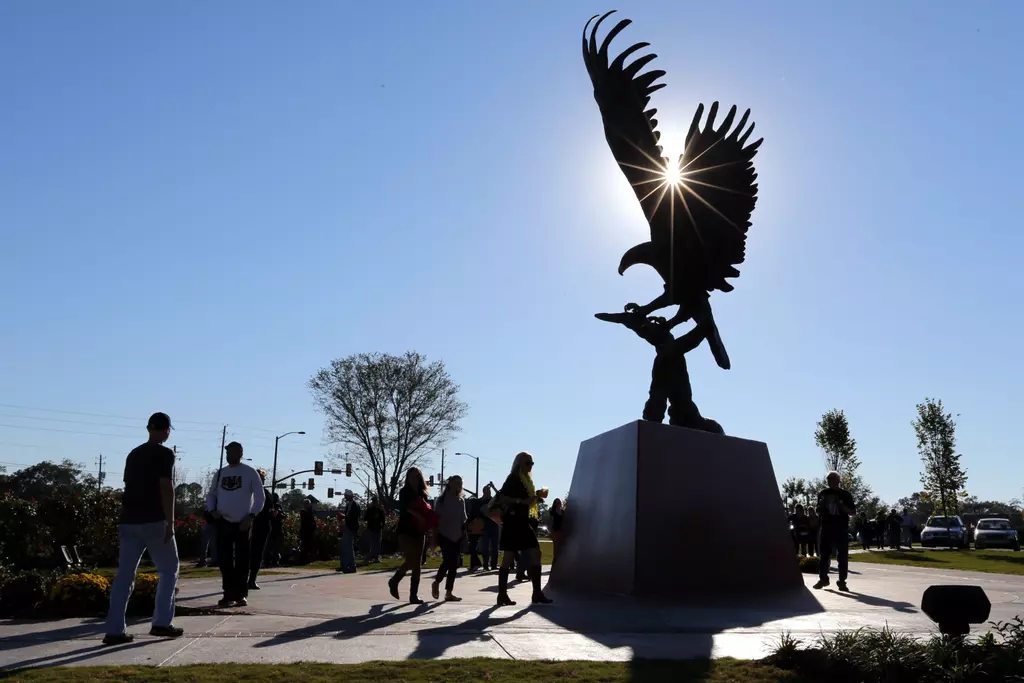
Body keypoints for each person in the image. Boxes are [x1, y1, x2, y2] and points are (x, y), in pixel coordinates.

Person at [103, 412, 183, 645]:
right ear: (166, 431)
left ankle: (114, 629)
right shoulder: (165, 454)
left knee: (125, 575)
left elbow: (129, 485)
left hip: (129, 519)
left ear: (148, 428)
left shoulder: (134, 454)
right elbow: (166, 486)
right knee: (169, 570)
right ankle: (161, 623)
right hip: (155, 520)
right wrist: (170, 521)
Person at [205, 442, 265, 607]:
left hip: (243, 522)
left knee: (242, 560)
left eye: (232, 452)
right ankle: (228, 593)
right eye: (227, 452)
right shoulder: (220, 473)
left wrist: (251, 516)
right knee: (224, 560)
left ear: (240, 453)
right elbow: (211, 494)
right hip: (223, 521)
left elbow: (260, 497)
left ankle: (241, 594)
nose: (228, 455)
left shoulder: (249, 472)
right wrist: (212, 510)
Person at [496, 451, 551, 606]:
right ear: (519, 463)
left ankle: (536, 593)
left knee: (534, 552)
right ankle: (503, 594)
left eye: (532, 463)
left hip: (522, 520)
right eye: (527, 463)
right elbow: (502, 497)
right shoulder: (513, 478)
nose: (530, 466)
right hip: (513, 521)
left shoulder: (526, 480)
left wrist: (535, 497)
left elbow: (527, 500)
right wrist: (522, 501)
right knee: (510, 557)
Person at [389, 467, 432, 603]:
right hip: (406, 530)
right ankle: (394, 580)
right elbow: (405, 508)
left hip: (420, 530)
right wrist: (418, 516)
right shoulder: (404, 492)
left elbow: (427, 510)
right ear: (407, 477)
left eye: (417, 476)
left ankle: (413, 595)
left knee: (417, 563)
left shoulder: (422, 493)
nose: (415, 478)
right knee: (411, 560)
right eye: (412, 476)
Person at [814, 471, 856, 591]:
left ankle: (842, 581)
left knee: (842, 556)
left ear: (838, 480)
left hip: (841, 528)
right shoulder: (823, 493)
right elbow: (818, 509)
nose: (830, 481)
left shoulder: (845, 495)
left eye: (832, 479)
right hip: (826, 527)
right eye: (828, 479)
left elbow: (853, 512)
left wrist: (842, 507)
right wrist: (821, 508)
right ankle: (823, 579)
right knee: (824, 555)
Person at [431, 475, 468, 601]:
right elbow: (435, 521)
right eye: (456, 482)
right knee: (448, 561)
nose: (459, 485)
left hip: (457, 535)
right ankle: (436, 582)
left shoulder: (461, 501)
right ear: (450, 483)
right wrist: (434, 537)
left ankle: (448, 592)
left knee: (454, 565)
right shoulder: (441, 501)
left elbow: (463, 521)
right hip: (444, 535)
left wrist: (465, 537)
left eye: (460, 483)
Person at [248, 469, 277, 590]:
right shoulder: (251, 492)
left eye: (263, 479)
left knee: (257, 553)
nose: (263, 481)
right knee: (250, 553)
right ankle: (245, 579)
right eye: (261, 478)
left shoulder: (265, 493)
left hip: (262, 526)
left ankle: (252, 579)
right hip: (252, 524)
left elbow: (270, 508)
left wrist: (273, 512)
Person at [336, 489, 360, 573]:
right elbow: (349, 516)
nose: (344, 497)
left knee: (348, 548)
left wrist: (344, 517)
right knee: (346, 547)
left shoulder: (354, 505)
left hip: (351, 528)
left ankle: (350, 566)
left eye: (346, 495)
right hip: (348, 527)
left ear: (350, 496)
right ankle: (345, 565)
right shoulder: (349, 504)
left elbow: (353, 517)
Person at [478, 483, 500, 571]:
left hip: (494, 524)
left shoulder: (493, 500)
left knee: (495, 546)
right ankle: (485, 564)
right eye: (487, 491)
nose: (489, 493)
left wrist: (493, 487)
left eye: (489, 491)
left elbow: (499, 495)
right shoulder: (480, 501)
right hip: (485, 525)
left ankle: (494, 564)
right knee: (485, 546)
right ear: (483, 492)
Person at [363, 497, 385, 564]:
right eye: (373, 501)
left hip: (377, 528)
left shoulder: (379, 510)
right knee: (372, 543)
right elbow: (365, 518)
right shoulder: (370, 510)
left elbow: (383, 520)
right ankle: (372, 556)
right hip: (371, 528)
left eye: (375, 501)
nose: (374, 503)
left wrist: (382, 525)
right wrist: (372, 517)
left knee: (376, 543)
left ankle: (376, 557)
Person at [299, 499, 315, 564]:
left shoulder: (310, 512)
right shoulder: (304, 512)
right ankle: (304, 558)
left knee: (308, 545)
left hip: (309, 531)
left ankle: (307, 558)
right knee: (305, 545)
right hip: (305, 531)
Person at [550, 498, 565, 564]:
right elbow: (550, 521)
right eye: (557, 502)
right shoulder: (552, 512)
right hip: (555, 530)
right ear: (555, 504)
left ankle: (560, 560)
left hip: (561, 530)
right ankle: (555, 560)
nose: (559, 503)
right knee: (556, 546)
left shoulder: (563, 511)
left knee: (560, 545)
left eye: (559, 502)